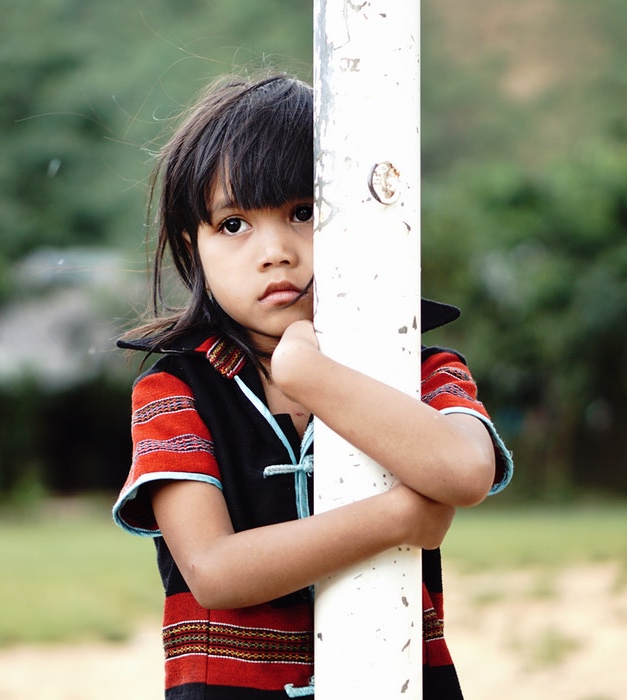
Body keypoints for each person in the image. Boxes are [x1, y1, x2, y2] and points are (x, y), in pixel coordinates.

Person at [112, 73, 513, 700]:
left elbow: (465, 471)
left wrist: (314, 376)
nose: (275, 252)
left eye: (305, 213)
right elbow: (213, 571)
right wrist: (398, 516)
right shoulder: (174, 391)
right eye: (234, 224)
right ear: (195, 246)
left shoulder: (419, 368)